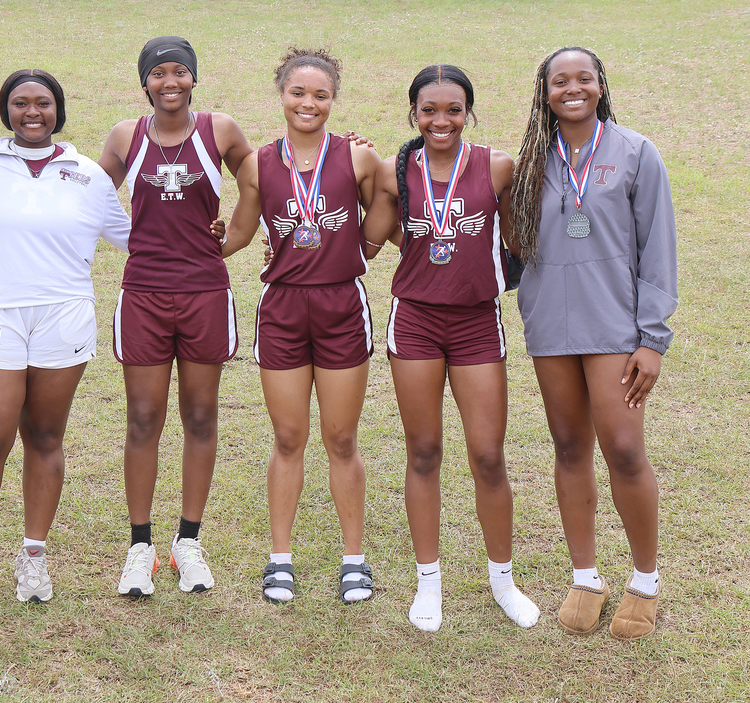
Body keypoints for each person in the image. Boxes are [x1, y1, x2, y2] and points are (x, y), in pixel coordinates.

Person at [363, 64, 539, 631]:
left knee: (488, 455)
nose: (441, 120)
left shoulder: (497, 167)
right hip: (414, 323)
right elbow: (371, 240)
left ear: (469, 112)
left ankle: (503, 582)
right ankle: (428, 583)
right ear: (413, 113)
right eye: (429, 110)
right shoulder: (397, 170)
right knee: (424, 452)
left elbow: (517, 242)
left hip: (476, 324)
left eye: (453, 109)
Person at [510, 47, 677, 639]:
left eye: (584, 78)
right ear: (545, 91)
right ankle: (586, 576)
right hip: (551, 327)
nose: (572, 88)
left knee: (625, 449)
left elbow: (658, 248)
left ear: (601, 85)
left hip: (615, 329)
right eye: (560, 80)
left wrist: (652, 338)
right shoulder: (531, 161)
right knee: (569, 446)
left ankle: (645, 583)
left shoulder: (635, 152)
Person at [0, 70, 131, 607]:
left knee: (46, 436)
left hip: (64, 316)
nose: (34, 112)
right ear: (5, 110)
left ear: (59, 110)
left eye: (44, 103)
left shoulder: (89, 175)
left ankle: (33, 555)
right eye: (21, 103)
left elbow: (138, 240)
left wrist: (213, 234)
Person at [217, 47, 381, 604]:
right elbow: (238, 233)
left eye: (320, 94)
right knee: (289, 437)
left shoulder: (357, 158)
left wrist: (375, 238)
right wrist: (190, 242)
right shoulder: (259, 163)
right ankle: (279, 557)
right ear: (281, 95)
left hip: (340, 308)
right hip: (283, 308)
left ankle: (353, 560)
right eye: (298, 93)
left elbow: (382, 216)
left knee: (341, 438)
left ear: (333, 98)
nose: (308, 103)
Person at [96, 36, 254, 596]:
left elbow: (261, 181)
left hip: (204, 292)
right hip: (143, 293)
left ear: (194, 78)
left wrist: (233, 237)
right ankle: (140, 546)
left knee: (201, 415)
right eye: (159, 73)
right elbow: (87, 197)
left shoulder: (221, 129)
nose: (170, 82)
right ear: (145, 82)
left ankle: (188, 541)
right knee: (143, 418)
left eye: (180, 72)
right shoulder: (126, 136)